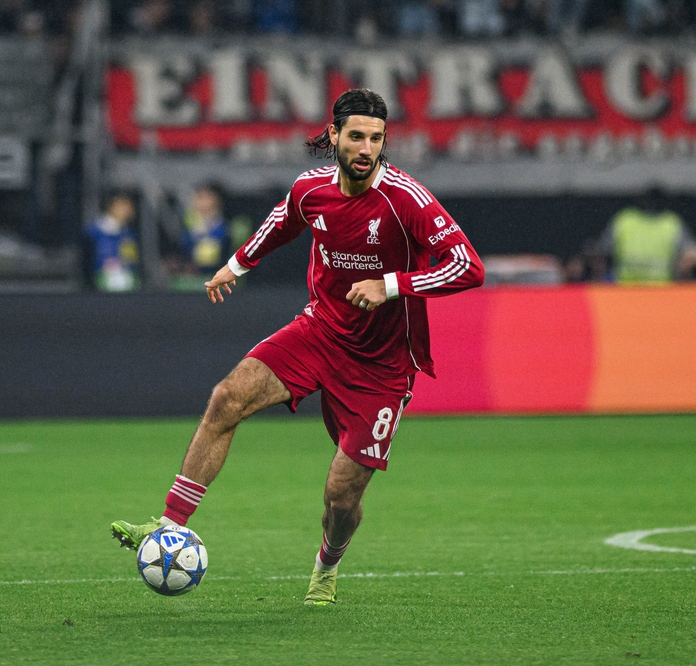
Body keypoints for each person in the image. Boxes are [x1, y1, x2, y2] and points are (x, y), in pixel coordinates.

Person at [110, 89, 485, 606]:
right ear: (333, 136)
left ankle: (326, 566)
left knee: (341, 496)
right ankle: (168, 526)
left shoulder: (407, 201)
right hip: (319, 332)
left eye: (375, 139)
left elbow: (470, 267)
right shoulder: (312, 190)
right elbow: (279, 224)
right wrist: (235, 267)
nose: (365, 148)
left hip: (382, 366)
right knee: (227, 397)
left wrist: (391, 284)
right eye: (355, 136)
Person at [566, 187, 696, 284]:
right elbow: (601, 252)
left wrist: (692, 263)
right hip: (628, 290)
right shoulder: (626, 220)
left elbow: (695, 256)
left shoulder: (669, 223)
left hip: (660, 291)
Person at [84, 193, 140, 292]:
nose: (126, 210)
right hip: (101, 277)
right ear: (111, 207)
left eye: (128, 206)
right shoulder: (95, 231)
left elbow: (130, 259)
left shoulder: (128, 234)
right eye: (122, 206)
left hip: (124, 275)